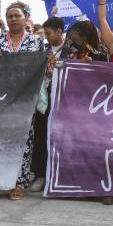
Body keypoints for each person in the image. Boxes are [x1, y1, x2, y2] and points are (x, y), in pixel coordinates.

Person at [0, 1, 46, 202]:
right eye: (9, 16)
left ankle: (18, 184)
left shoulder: (36, 42)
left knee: (23, 142)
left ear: (25, 18)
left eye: (16, 15)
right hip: (0, 99)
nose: (12, 19)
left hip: (25, 100)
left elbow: (42, 67)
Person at [30, 17, 66, 193]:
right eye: (44, 34)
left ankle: (57, 175)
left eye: (48, 33)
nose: (46, 37)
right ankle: (40, 175)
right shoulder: (42, 50)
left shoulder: (71, 50)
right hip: (42, 99)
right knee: (40, 134)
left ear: (59, 32)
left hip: (62, 100)